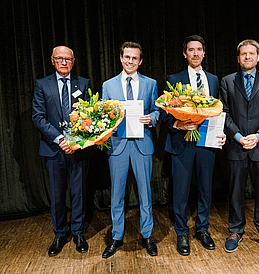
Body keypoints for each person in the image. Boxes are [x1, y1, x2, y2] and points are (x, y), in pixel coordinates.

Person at [160, 35, 226, 256]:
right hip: (182, 142)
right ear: (184, 53)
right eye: (191, 50)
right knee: (180, 191)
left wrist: (221, 133)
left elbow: (218, 111)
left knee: (206, 189)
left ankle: (203, 229)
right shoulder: (174, 78)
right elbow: (165, 112)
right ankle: (181, 232)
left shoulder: (214, 80)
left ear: (204, 53)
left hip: (207, 142)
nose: (195, 53)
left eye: (199, 50)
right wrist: (177, 123)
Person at [220, 39, 259, 255]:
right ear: (238, 58)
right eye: (243, 54)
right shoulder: (227, 81)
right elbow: (223, 112)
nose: (247, 57)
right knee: (235, 192)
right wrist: (237, 136)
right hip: (236, 147)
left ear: (258, 57)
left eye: (251, 53)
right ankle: (236, 231)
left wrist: (257, 136)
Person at [101, 42, 159, 258]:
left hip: (142, 145)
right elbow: (103, 115)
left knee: (145, 193)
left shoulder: (150, 83)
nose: (130, 61)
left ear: (140, 60)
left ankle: (147, 235)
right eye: (127, 57)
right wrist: (109, 122)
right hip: (118, 146)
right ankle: (116, 236)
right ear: (120, 58)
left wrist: (151, 118)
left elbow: (157, 111)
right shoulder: (108, 85)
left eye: (135, 58)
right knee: (117, 195)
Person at [32, 46, 91, 256]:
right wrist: (60, 139)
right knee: (57, 195)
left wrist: (74, 141)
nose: (64, 62)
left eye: (68, 59)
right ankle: (59, 233)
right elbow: (38, 117)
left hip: (78, 150)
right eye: (60, 59)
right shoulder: (42, 84)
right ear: (52, 60)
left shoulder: (83, 83)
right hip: (53, 149)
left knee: (78, 193)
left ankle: (78, 232)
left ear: (73, 61)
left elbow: (88, 116)